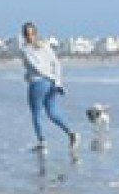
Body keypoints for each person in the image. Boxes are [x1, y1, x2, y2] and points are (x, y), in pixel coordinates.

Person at [19, 21, 78, 152]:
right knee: (52, 112)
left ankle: (42, 141)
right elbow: (56, 64)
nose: (29, 37)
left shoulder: (25, 49)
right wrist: (57, 82)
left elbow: (36, 67)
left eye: (30, 34)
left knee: (36, 113)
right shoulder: (46, 45)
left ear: (35, 34)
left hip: (38, 83)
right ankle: (71, 133)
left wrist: (54, 80)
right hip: (51, 83)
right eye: (27, 34)